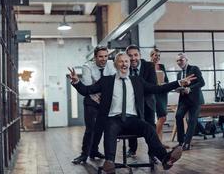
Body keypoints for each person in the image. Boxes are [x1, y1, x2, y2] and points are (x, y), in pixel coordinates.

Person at [68, 52, 196, 174]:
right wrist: (76, 82)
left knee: (148, 128)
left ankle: (165, 159)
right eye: (121, 62)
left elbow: (158, 88)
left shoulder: (137, 81)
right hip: (113, 118)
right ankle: (110, 162)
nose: (124, 64)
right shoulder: (106, 81)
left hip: (132, 119)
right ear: (115, 65)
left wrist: (179, 82)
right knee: (110, 128)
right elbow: (86, 90)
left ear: (129, 63)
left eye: (126, 61)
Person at [71, 46, 116, 164]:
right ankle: (84, 155)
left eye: (106, 56)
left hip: (106, 101)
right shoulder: (87, 67)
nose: (104, 59)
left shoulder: (111, 64)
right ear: (95, 57)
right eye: (101, 56)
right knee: (91, 129)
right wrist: (100, 90)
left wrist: (101, 89)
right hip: (91, 101)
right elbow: (88, 88)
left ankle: (94, 151)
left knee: (101, 128)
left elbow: (113, 83)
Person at [125, 44, 157, 158]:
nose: (133, 58)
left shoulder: (149, 66)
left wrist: (138, 87)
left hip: (147, 102)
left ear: (140, 55)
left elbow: (152, 85)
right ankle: (132, 149)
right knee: (132, 125)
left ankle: (152, 152)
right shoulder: (125, 67)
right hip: (131, 103)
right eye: (130, 56)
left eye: (135, 55)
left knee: (151, 127)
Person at [175, 53, 205, 150]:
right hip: (184, 100)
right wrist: (178, 89)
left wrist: (190, 89)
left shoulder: (194, 69)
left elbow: (202, 83)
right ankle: (180, 142)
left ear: (186, 60)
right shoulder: (179, 74)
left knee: (192, 120)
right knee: (178, 116)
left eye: (181, 60)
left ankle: (186, 143)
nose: (179, 62)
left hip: (195, 100)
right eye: (177, 61)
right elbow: (180, 86)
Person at [150, 48, 170, 148]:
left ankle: (160, 143)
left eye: (158, 55)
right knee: (162, 117)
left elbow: (166, 79)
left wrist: (164, 83)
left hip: (163, 94)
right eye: (155, 55)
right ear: (151, 56)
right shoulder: (148, 66)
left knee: (161, 118)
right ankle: (156, 142)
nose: (157, 57)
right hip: (155, 94)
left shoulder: (162, 66)